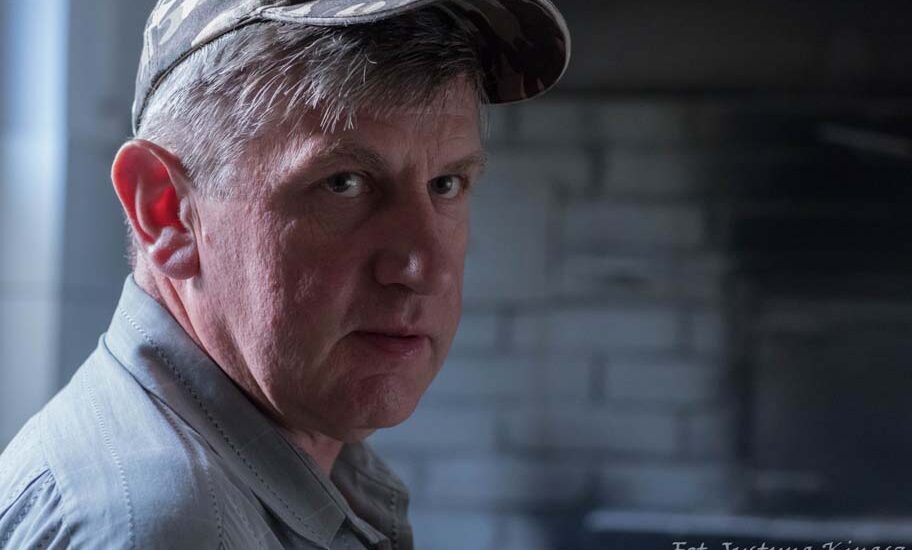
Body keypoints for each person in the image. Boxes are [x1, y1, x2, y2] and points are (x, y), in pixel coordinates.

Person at [0, 1, 570, 548]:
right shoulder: (166, 530)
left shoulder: (287, 461)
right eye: (343, 183)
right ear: (167, 212)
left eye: (445, 184)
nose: (423, 268)